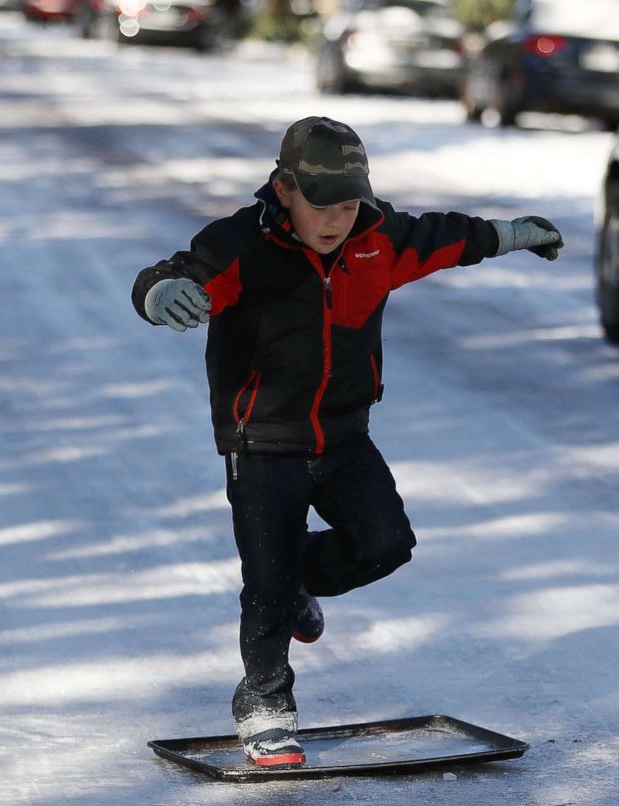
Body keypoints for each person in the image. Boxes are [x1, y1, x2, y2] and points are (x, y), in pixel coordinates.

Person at [131, 116, 563, 767]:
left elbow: (449, 237)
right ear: (284, 189)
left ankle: (300, 574)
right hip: (263, 444)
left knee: (386, 543)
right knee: (266, 587)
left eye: (347, 204)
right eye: (320, 204)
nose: (334, 220)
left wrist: (512, 234)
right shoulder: (240, 246)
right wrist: (163, 292)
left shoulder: (378, 238)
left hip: (343, 437)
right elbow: (180, 273)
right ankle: (265, 705)